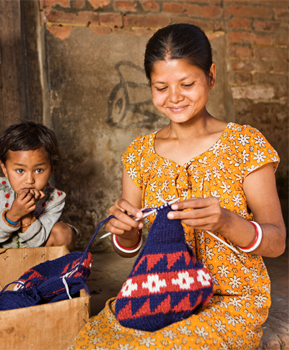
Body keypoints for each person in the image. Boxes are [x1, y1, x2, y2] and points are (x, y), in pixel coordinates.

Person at [70, 23, 286, 349]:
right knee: (91, 342)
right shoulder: (140, 155)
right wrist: (125, 229)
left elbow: (277, 241)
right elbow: (128, 247)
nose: (174, 97)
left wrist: (228, 222)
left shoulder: (245, 144)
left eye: (187, 83)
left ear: (211, 76)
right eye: (161, 87)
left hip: (232, 298)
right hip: (160, 292)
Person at [0, 121, 77, 291]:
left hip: (38, 264)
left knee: (64, 233)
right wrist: (13, 215)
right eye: (20, 171)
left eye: (38, 170)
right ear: (5, 169)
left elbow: (39, 242)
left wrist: (27, 217)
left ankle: (52, 288)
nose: (29, 180)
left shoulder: (55, 198)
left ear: (51, 170)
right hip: (0, 266)